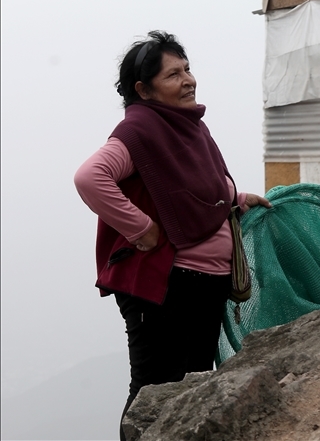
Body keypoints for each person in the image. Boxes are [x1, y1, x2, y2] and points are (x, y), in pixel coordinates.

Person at [74, 31, 270, 440]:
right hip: (165, 286)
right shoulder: (139, 132)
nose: (188, 80)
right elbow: (91, 178)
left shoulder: (188, 127)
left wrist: (236, 196)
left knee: (194, 385)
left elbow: (194, 190)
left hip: (207, 283)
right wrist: (141, 229)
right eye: (173, 75)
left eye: (187, 69)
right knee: (154, 389)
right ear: (143, 90)